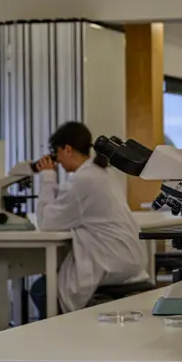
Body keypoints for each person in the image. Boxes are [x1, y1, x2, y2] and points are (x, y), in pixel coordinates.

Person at [29, 121, 150, 318]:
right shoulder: (102, 173)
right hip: (130, 263)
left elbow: (46, 223)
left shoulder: (83, 180)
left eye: (56, 153)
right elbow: (71, 205)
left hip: (112, 266)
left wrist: (48, 176)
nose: (58, 161)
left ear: (67, 149)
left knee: (41, 290)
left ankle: (61, 334)